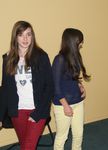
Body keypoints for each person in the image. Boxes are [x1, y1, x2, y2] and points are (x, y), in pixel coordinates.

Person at [0, 21, 54, 150]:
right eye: (21, 34)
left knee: (28, 147)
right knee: (25, 144)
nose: (25, 38)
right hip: (17, 112)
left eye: (28, 34)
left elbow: (50, 87)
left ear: (32, 36)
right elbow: (5, 89)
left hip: (37, 110)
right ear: (15, 37)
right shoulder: (8, 59)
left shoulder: (41, 57)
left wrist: (38, 112)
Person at [52, 28, 90, 150]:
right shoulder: (59, 59)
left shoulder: (75, 56)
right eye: (80, 41)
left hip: (77, 101)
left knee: (78, 134)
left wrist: (79, 85)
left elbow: (71, 77)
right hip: (63, 103)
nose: (81, 43)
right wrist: (65, 105)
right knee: (62, 137)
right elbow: (55, 86)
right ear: (72, 41)